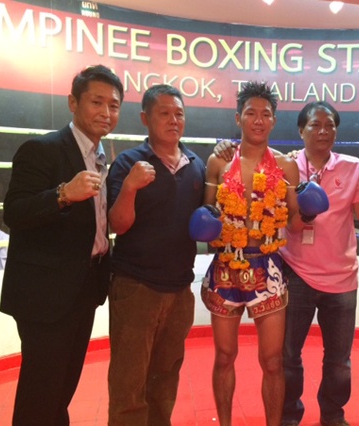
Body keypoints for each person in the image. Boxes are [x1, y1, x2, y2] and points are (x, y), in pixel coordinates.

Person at [214, 101, 359, 426]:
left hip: (341, 278)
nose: (323, 131)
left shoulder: (351, 167)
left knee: (339, 361)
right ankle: (289, 416)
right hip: (295, 272)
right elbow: (281, 214)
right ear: (300, 130)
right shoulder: (286, 165)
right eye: (315, 125)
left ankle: (333, 416)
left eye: (329, 126)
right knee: (287, 356)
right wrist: (224, 147)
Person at [0, 64, 123, 425]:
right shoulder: (42, 149)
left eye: (113, 105)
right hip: (45, 294)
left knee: (62, 389)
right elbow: (14, 212)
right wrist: (63, 194)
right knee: (40, 394)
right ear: (73, 102)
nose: (106, 112)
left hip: (85, 287)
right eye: (96, 102)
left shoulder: (101, 156)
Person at [201, 81, 302, 426]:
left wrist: (310, 210)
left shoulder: (287, 166)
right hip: (226, 265)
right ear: (238, 118)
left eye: (265, 114)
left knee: (273, 361)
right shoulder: (218, 161)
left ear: (274, 121)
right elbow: (206, 217)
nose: (258, 120)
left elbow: (296, 221)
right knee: (224, 356)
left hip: (268, 266)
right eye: (251, 113)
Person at [106, 84, 205, 425]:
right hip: (136, 287)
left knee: (165, 380)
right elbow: (118, 224)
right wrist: (130, 186)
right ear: (145, 118)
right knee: (129, 383)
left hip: (180, 289)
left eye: (179, 114)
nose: (173, 120)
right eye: (164, 113)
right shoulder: (128, 162)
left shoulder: (196, 165)